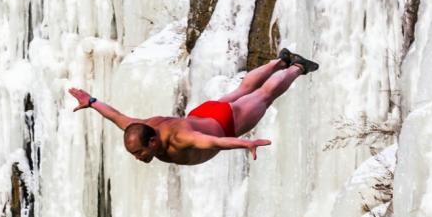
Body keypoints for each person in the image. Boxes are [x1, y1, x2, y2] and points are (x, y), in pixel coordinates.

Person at [68, 48, 318, 166]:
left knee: (264, 95)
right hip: (204, 113)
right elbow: (116, 116)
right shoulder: (138, 129)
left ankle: (297, 66)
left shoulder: (182, 138)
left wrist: (245, 142)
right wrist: (91, 102)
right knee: (242, 90)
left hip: (225, 123)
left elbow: (215, 142)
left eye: (139, 153)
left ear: (153, 142)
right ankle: (279, 61)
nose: (137, 157)